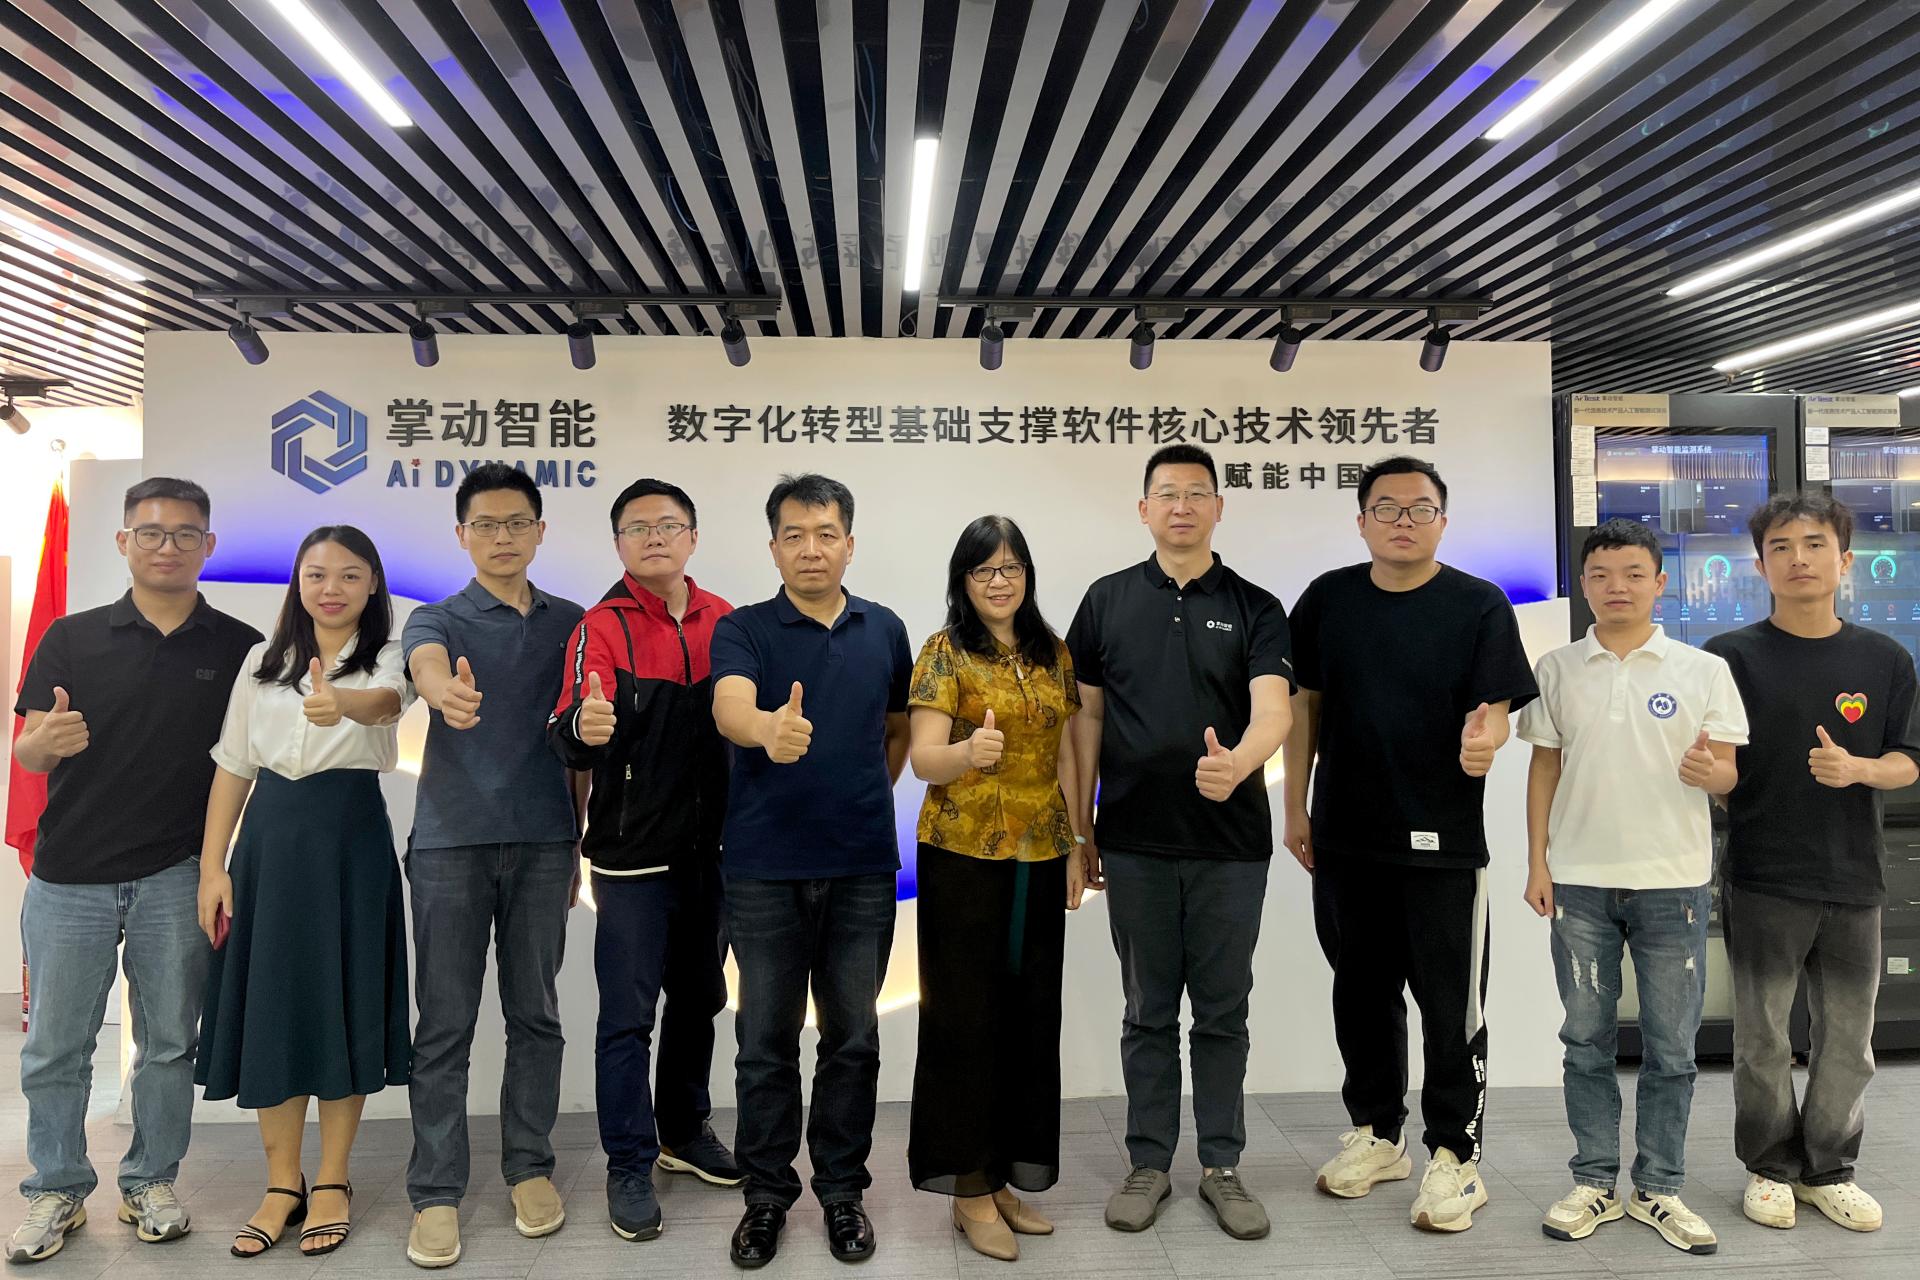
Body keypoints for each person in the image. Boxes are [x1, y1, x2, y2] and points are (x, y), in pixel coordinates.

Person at [6, 479, 261, 1264]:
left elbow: (248, 762)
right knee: (55, 1047)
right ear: (124, 542)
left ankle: (150, 1181)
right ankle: (56, 1188)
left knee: (168, 1044)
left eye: (185, 534)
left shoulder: (241, 647)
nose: (167, 547)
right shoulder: (71, 637)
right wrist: (40, 747)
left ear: (208, 547)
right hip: (69, 877)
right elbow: (27, 750)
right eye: (150, 533)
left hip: (177, 875)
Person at [1283, 454, 1536, 1234]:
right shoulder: (1327, 600)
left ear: (1442, 522)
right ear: (1362, 521)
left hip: (1443, 844)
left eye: (1419, 508)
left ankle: (1455, 1153)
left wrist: (1486, 740)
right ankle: (1379, 1133)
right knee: (1360, 993)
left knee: (1450, 1006)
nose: (1403, 521)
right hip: (1345, 838)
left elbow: (1496, 711)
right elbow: (1304, 709)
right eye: (1387, 508)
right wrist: (1295, 808)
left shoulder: (1479, 604)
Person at [1066, 444, 1294, 1241]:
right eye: (1167, 493)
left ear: (1219, 508)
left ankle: (1222, 1166)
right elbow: (1085, 718)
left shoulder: (1257, 605)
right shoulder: (1106, 601)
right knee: (1147, 1012)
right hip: (1133, 842)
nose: (1182, 506)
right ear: (1144, 509)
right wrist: (1081, 826)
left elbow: (1275, 710)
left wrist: (1240, 763)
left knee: (1223, 1013)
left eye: (1198, 493)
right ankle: (1150, 1163)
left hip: (1231, 846)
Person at [1517, 519, 1747, 1254]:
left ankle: (1659, 1187)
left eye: (1633, 574)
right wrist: (1538, 862)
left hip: (1673, 884)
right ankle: (1593, 1180)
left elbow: (1729, 772)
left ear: (1660, 582)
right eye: (1601, 575)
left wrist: (1713, 774)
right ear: (1584, 585)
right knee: (1584, 1039)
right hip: (1579, 882)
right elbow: (1544, 767)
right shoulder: (1556, 668)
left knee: (1672, 1047)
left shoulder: (1701, 670)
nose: (1617, 587)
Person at [194, 525, 414, 1258]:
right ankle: (281, 1183)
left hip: (349, 842)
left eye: (349, 574)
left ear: (373, 583)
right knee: (275, 1006)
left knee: (344, 1001)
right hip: (269, 845)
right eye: (316, 573)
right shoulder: (262, 660)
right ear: (297, 582)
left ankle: (332, 1179)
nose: (331, 588)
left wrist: (341, 704)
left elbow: (386, 703)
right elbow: (234, 763)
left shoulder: (391, 653)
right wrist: (213, 867)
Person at [709, 474, 912, 1269]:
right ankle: (765, 1197)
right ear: (774, 548)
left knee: (853, 1038)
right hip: (763, 867)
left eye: (826, 534)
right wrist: (766, 729)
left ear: (849, 544)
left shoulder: (884, 628)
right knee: (764, 1041)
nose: (811, 549)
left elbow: (898, 729)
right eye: (794, 535)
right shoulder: (745, 628)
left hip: (862, 865)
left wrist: (859, 793)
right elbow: (729, 707)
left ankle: (842, 1193)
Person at [1704, 493, 1919, 1234]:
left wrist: (1859, 770)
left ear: (1845, 560)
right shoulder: (1728, 657)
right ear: (1760, 564)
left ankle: (1830, 1167)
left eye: (1816, 544)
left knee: (1849, 1041)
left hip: (1855, 876)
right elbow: (1717, 763)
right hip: (1762, 873)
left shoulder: (1885, 659)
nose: (1799, 559)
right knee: (1762, 1037)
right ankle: (1769, 1167)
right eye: (1782, 547)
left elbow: (1908, 759)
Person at [400, 464, 587, 1268]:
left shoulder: (573, 622)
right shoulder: (437, 617)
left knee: (535, 1014)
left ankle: (529, 1167)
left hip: (545, 842)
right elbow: (424, 664)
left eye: (516, 523)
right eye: (485, 524)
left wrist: (576, 839)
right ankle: (436, 1191)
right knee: (445, 1022)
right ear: (462, 535)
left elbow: (581, 737)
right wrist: (444, 693)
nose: (502, 537)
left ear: (540, 531)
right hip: (450, 843)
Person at [548, 477, 740, 1243]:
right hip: (631, 859)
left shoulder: (727, 620)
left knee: (699, 1001)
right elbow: (567, 728)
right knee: (628, 1020)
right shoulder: (599, 626)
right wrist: (584, 728)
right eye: (637, 528)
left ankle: (683, 1132)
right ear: (618, 544)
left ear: (693, 536)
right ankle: (627, 1162)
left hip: (713, 854)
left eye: (668, 524)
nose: (654, 537)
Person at [907, 516, 1088, 1262]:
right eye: (984, 569)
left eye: (1011, 567)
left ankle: (1004, 1175)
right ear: (964, 580)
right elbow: (922, 759)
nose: (999, 581)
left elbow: (1068, 753)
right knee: (965, 1020)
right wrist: (966, 752)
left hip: (1039, 855)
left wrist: (1077, 842)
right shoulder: (943, 652)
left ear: (1027, 576)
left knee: (1028, 1017)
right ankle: (968, 1188)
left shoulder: (1053, 652)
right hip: (962, 857)